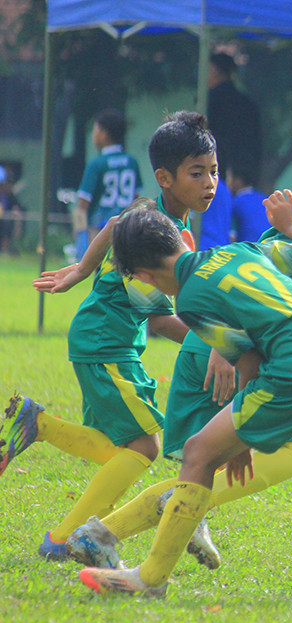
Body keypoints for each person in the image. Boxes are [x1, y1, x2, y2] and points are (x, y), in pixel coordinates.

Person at [64, 134, 292, 572]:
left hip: (239, 357)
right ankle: (116, 530)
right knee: (266, 455)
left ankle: (140, 525)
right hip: (219, 360)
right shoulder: (288, 235)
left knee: (227, 459)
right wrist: (229, 356)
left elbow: (284, 307)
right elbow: (247, 314)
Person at [4, 112, 217, 560]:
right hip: (108, 344)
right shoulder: (163, 231)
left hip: (102, 339)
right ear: (165, 178)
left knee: (121, 448)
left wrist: (84, 268)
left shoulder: (156, 218)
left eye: (213, 171)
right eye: (197, 173)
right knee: (145, 446)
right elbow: (161, 321)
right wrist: (218, 344)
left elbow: (115, 223)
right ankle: (63, 538)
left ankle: (36, 424)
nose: (209, 183)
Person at [73, 109, 143, 260]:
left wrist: (80, 236)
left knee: (99, 269)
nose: (93, 135)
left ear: (104, 134)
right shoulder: (132, 162)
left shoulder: (96, 164)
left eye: (95, 130)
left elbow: (82, 205)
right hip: (125, 228)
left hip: (100, 229)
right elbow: (136, 199)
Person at [207, 52, 262, 179]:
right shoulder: (246, 102)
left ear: (215, 71)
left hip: (217, 166)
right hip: (243, 170)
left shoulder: (211, 100)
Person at [228, 163, 270, 243]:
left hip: (249, 246)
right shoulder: (264, 198)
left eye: (229, 178)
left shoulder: (236, 202)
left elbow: (231, 236)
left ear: (238, 181)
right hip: (269, 244)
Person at [0, 166, 24, 255]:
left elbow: (16, 206)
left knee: (8, 225)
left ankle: (5, 249)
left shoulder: (9, 195)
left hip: (5, 220)